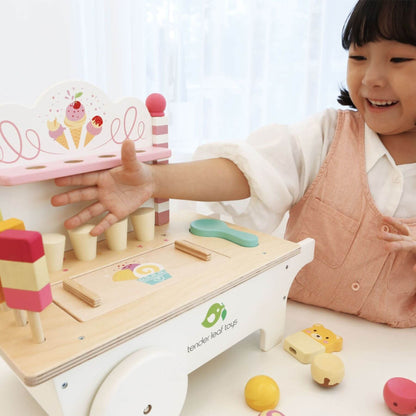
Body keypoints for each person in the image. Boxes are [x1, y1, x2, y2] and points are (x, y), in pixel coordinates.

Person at [51, 0, 416, 328]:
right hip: (291, 321)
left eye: (398, 59)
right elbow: (248, 170)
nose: (370, 78)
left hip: (392, 348)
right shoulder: (327, 135)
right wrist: (154, 180)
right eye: (358, 57)